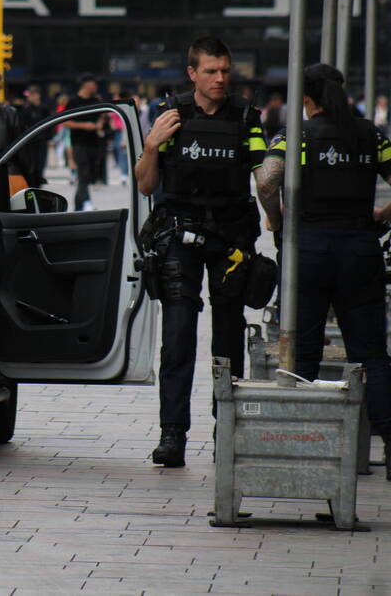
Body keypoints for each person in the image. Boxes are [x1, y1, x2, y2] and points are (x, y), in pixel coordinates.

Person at [254, 63, 391, 482]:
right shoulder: (369, 135)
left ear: (307, 99)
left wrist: (276, 220)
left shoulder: (296, 136)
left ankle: (306, 446)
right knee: (371, 355)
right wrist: (381, 215)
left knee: (304, 354)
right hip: (359, 252)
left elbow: (266, 183)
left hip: (307, 252)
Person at [134, 36, 266, 467]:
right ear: (192, 73)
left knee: (227, 338)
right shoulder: (171, 115)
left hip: (231, 237)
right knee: (177, 339)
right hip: (180, 235)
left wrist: (277, 221)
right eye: (211, 71)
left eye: (225, 70)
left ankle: (225, 428)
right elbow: (146, 185)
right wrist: (151, 145)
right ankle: (173, 435)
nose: (220, 78)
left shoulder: (246, 118)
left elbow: (265, 174)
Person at [63, 74, 106, 211]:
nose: (95, 86)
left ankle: (78, 206)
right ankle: (86, 203)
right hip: (79, 143)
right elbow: (66, 122)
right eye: (93, 83)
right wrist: (84, 125)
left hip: (94, 143)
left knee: (89, 176)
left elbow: (102, 115)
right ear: (86, 84)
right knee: (83, 174)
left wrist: (99, 124)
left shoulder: (96, 100)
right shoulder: (73, 102)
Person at [19, 85, 53, 187]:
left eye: (32, 95)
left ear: (37, 95)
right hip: (28, 141)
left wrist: (49, 138)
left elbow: (49, 124)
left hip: (41, 140)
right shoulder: (25, 108)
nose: (29, 98)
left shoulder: (44, 108)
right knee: (30, 163)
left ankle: (38, 182)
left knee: (40, 163)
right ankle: (31, 182)